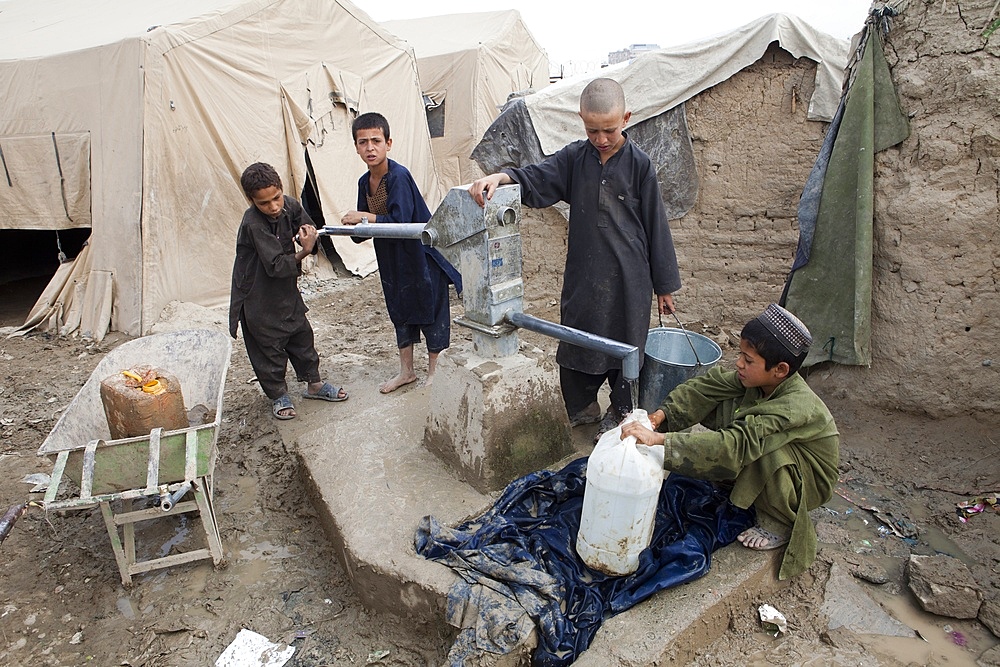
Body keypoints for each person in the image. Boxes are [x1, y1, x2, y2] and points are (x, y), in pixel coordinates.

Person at [468, 78, 681, 437]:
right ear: (581, 119)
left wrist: (664, 286)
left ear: (626, 118)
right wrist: (503, 176)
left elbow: (657, 226)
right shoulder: (574, 158)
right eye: (592, 129)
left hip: (631, 277)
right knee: (577, 338)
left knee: (627, 344)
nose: (600, 138)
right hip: (584, 273)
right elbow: (539, 177)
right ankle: (581, 407)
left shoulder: (640, 165)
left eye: (609, 130)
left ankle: (620, 410)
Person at [620, 304, 840, 580]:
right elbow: (704, 387)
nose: (739, 363)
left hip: (805, 480)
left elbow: (734, 445)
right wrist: (657, 418)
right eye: (741, 355)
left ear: (780, 369)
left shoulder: (794, 405)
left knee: (764, 448)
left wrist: (658, 440)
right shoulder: (758, 381)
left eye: (749, 360)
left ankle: (778, 522)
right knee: (723, 399)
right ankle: (737, 480)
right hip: (760, 445)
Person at [342, 112, 461, 393]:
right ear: (356, 147)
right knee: (399, 307)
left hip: (421, 256)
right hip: (392, 259)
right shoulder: (364, 182)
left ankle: (434, 372)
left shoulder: (398, 177)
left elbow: (401, 222)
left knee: (430, 309)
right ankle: (406, 371)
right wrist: (352, 228)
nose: (370, 148)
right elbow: (367, 225)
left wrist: (365, 218)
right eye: (363, 142)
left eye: (376, 141)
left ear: (388, 143)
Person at [229, 162, 348, 420]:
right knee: (268, 346)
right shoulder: (253, 223)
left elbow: (308, 230)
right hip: (257, 292)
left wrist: (309, 238)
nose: (273, 207)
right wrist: (304, 250)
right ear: (251, 201)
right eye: (264, 203)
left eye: (276, 198)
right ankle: (278, 394)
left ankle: (313, 383)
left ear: (281, 189)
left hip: (284, 290)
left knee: (300, 334)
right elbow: (274, 265)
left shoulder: (290, 205)